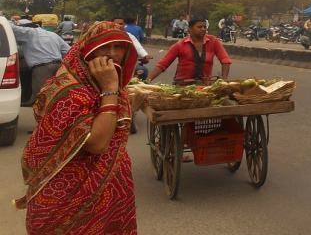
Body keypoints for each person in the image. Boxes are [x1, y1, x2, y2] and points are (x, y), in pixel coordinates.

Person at [16, 20, 138, 234]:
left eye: (118, 47)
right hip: (67, 199)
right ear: (88, 49)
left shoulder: (116, 84)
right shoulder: (70, 91)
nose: (111, 54)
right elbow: (98, 144)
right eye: (104, 47)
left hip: (110, 190)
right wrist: (109, 89)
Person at [148, 17, 231, 85]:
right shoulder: (180, 45)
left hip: (205, 85)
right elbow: (162, 65)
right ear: (190, 29)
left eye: (204, 27)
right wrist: (146, 82)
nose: (203, 29)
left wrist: (224, 79)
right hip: (182, 85)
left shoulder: (213, 41)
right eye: (199, 27)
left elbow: (225, 60)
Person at [11, 21, 71, 105]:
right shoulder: (53, 35)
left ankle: (38, 106)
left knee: (40, 94)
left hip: (42, 67)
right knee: (55, 90)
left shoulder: (30, 32)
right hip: (58, 65)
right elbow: (68, 50)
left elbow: (12, 28)